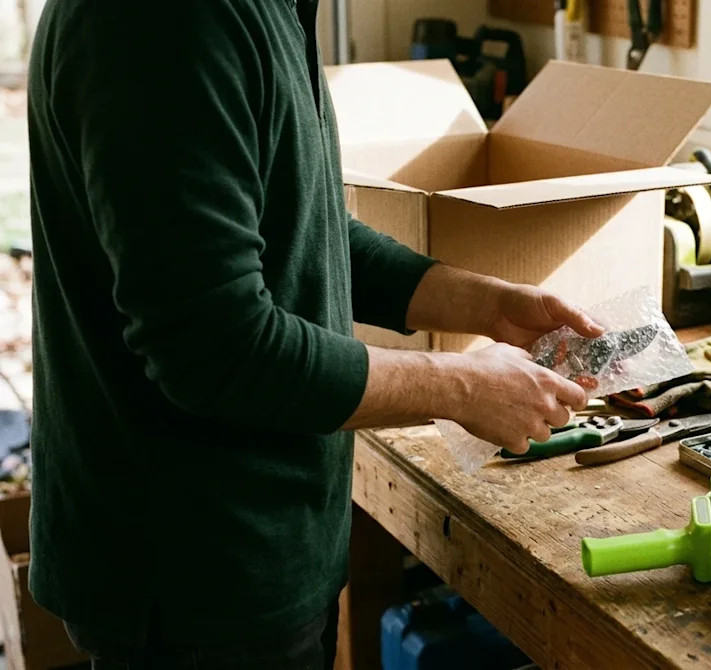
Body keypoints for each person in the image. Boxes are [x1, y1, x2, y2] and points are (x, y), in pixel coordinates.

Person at [25, 1, 601, 667]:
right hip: (194, 576)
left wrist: (487, 305)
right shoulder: (170, 23)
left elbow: (300, 229)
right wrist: (464, 385)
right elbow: (218, 346)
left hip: (251, 548)